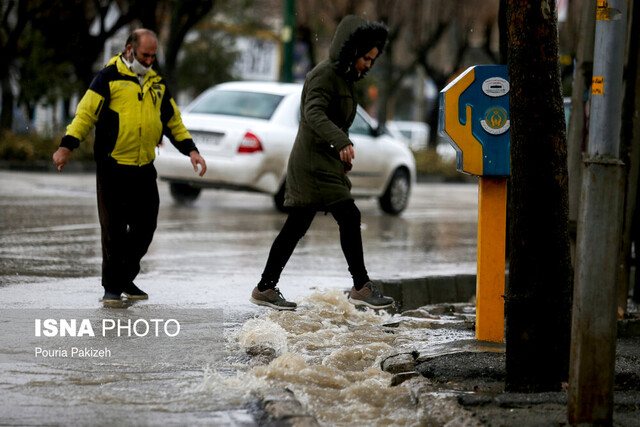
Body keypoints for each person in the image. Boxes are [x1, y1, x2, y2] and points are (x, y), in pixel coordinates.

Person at [250, 15, 394, 311]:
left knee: (296, 226)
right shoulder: (324, 75)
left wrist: (340, 153)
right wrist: (340, 142)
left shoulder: (344, 79)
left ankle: (265, 287)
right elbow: (313, 114)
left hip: (324, 161)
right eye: (366, 57)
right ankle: (361, 286)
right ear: (352, 50)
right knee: (348, 216)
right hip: (313, 162)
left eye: (373, 60)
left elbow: (334, 118)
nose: (368, 64)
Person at [53, 29, 206, 304]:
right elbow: (85, 114)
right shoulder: (108, 78)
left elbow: (173, 121)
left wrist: (192, 151)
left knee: (146, 227)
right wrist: (67, 146)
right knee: (113, 230)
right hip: (113, 166)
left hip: (143, 167)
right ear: (129, 49)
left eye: (153, 55)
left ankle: (123, 278)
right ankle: (112, 287)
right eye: (145, 55)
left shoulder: (157, 83)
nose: (149, 60)